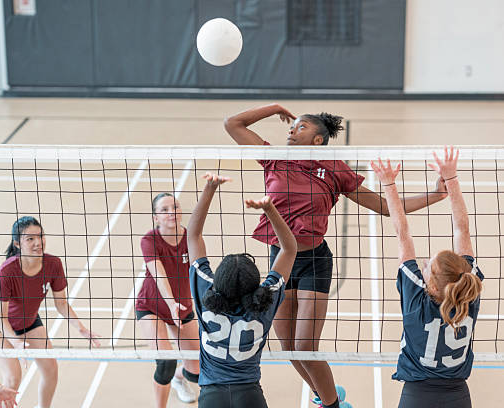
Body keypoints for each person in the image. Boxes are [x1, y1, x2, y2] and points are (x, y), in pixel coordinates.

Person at [224, 103, 448, 407]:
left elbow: (383, 207)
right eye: (292, 127)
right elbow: (232, 124)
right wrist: (275, 107)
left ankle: (332, 405)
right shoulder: (274, 158)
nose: (292, 130)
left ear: (318, 140)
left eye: (301, 127)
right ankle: (328, 395)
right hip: (281, 261)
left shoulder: (333, 168)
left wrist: (436, 195)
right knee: (288, 347)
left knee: (305, 347)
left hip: (314, 262)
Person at [370, 147, 484, 408]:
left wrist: (388, 183)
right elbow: (462, 230)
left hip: (417, 396)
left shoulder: (417, 302)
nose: (423, 262)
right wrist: (451, 179)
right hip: (458, 396)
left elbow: (403, 234)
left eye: (427, 265)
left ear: (431, 283)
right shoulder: (469, 293)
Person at [187, 173, 297, 408]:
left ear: (218, 281)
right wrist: (269, 209)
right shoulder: (264, 301)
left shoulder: (205, 292)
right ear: (255, 283)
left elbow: (193, 235)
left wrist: (209, 188)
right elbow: (289, 249)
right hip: (249, 396)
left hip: (211, 397)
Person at [0, 216, 100, 408]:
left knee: (50, 369)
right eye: (30, 239)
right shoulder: (8, 270)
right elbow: (0, 318)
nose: (38, 242)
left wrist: (81, 328)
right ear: (17, 244)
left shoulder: (53, 264)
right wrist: (17, 344)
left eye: (40, 236)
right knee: (12, 378)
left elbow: (61, 303)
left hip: (28, 320)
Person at [135, 193, 200, 406]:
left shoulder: (192, 238)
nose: (171, 211)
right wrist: (171, 304)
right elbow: (159, 274)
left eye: (175, 206)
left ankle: (179, 380)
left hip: (182, 306)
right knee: (165, 362)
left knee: (198, 370)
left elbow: (200, 274)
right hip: (151, 306)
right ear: (155, 217)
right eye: (164, 209)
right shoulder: (149, 240)